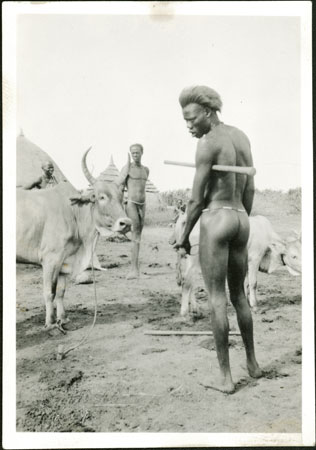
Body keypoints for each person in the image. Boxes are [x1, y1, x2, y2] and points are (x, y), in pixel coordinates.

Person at [174, 85, 262, 394]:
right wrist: (241, 218)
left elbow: (197, 200)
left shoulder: (207, 144)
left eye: (191, 118)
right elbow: (250, 188)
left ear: (207, 113)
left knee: (216, 299)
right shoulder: (240, 137)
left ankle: (225, 378)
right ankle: (252, 364)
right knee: (239, 295)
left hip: (216, 217)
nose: (188, 126)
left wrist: (184, 237)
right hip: (240, 218)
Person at [117, 144, 149, 279]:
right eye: (133, 153)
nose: (135, 155)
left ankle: (136, 269)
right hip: (131, 204)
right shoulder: (127, 169)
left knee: (138, 237)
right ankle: (133, 270)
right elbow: (119, 188)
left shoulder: (146, 170)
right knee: (135, 236)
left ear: (142, 153)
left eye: (137, 153)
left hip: (143, 204)